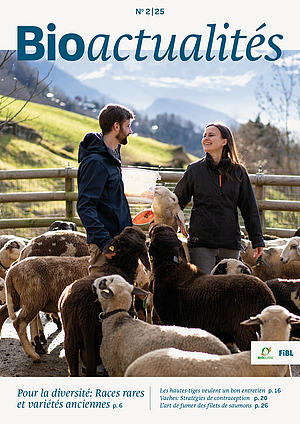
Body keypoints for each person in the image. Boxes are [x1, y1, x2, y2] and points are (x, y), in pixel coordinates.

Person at [174, 122, 264, 273]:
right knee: (203, 288)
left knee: (228, 291)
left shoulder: (239, 172)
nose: (206, 138)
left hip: (229, 243)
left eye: (211, 135)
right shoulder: (194, 170)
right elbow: (176, 202)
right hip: (201, 243)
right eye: (204, 135)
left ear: (224, 141)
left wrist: (257, 240)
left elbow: (250, 209)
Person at [77, 103, 134, 275]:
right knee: (100, 294)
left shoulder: (112, 156)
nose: (130, 131)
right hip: (106, 245)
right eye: (127, 126)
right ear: (116, 127)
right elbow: (85, 206)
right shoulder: (96, 162)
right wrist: (105, 242)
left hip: (118, 239)